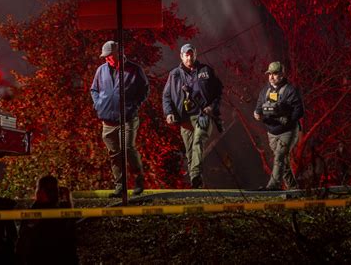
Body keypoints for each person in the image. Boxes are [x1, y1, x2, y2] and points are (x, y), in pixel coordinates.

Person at [91, 41, 150, 197]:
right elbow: (94, 89)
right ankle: (120, 187)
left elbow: (144, 89)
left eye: (109, 56)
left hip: (128, 119)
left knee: (128, 148)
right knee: (114, 154)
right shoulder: (101, 70)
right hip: (108, 120)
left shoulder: (134, 69)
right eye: (105, 56)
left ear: (118, 53)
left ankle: (138, 180)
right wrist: (98, 104)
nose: (106, 59)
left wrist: (134, 105)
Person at [163, 43, 223, 188]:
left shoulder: (206, 71)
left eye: (191, 54)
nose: (189, 57)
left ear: (195, 54)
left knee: (198, 142)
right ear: (181, 56)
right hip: (184, 119)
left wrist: (212, 107)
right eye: (186, 54)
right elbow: (166, 96)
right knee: (190, 153)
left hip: (203, 115)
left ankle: (195, 175)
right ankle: (196, 185)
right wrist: (169, 112)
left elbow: (219, 92)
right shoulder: (174, 75)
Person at [254, 61, 304, 190]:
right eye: (269, 74)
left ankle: (273, 186)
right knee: (282, 161)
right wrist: (257, 113)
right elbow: (259, 107)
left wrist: (288, 120)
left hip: (288, 131)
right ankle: (294, 188)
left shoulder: (290, 90)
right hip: (272, 133)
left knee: (279, 156)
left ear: (282, 74)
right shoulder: (265, 90)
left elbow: (299, 110)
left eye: (275, 74)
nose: (271, 77)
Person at [16, 175, 78, 265]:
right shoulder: (60, 211)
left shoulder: (39, 210)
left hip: (42, 257)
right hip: (57, 258)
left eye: (38, 188)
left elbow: (24, 236)